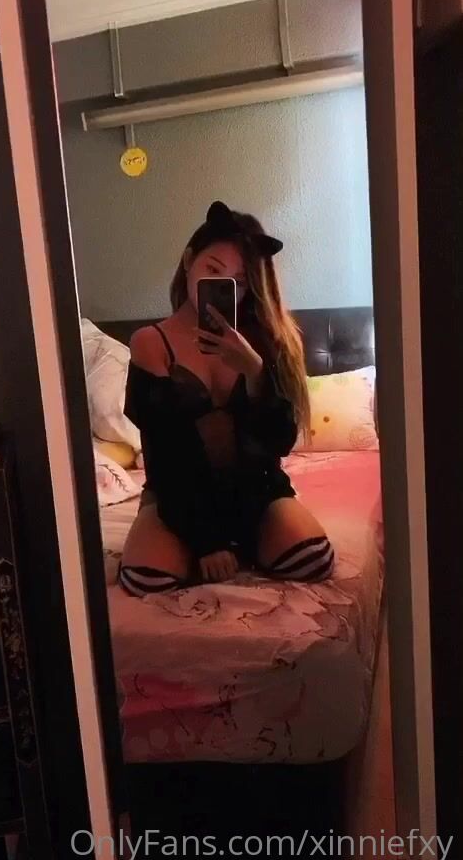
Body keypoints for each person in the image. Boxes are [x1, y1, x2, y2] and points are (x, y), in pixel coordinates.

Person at [119, 201, 334, 596]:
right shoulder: (151, 342)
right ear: (189, 261)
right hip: (178, 494)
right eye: (213, 271)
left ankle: (249, 541)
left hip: (254, 489)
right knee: (147, 580)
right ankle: (199, 544)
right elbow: (167, 450)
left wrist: (255, 373)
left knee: (312, 558)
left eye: (239, 281)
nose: (225, 289)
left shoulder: (263, 342)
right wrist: (206, 542)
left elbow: (279, 441)